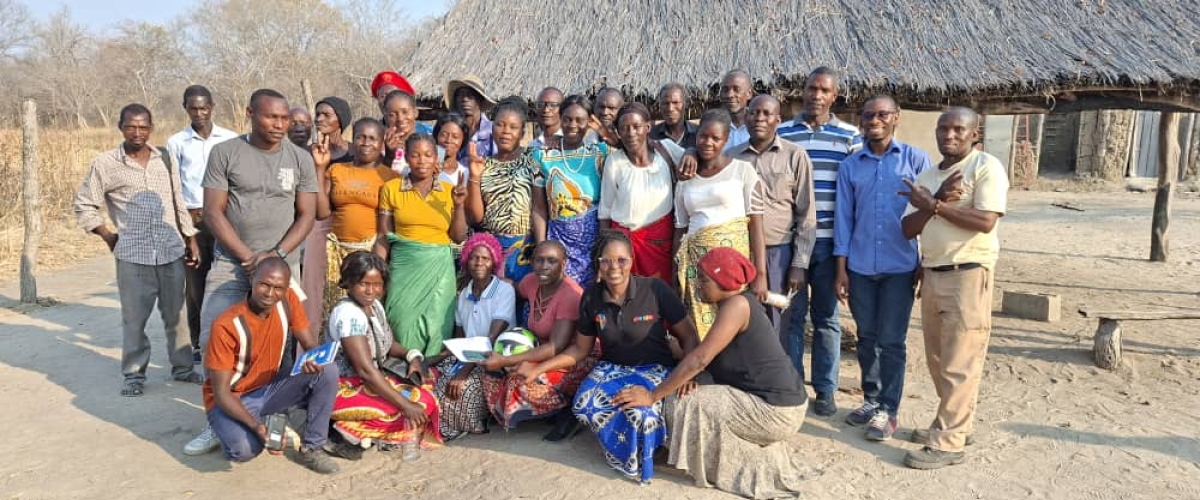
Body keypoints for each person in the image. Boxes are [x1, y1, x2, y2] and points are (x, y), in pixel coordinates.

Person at [611, 247, 808, 499]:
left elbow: (701, 358)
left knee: (679, 403)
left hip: (776, 413)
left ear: (723, 280)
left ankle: (732, 466)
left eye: (704, 280)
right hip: (784, 404)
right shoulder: (739, 304)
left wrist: (652, 395)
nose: (698, 285)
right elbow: (712, 356)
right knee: (690, 392)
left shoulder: (737, 305)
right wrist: (686, 363)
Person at [186, 88, 318, 456]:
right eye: (271, 117)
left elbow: (307, 214)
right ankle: (216, 420)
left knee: (282, 345)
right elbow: (212, 212)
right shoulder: (225, 153)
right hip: (231, 264)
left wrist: (276, 255)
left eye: (284, 118)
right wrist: (248, 257)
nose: (279, 124)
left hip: (281, 267)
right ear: (250, 114)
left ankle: (274, 416)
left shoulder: (300, 158)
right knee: (213, 335)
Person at [529, 230, 699, 483]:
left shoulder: (655, 289)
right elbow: (580, 349)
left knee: (640, 415)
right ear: (598, 263)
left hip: (655, 369)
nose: (614, 267)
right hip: (613, 368)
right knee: (585, 406)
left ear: (631, 260)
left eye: (621, 260)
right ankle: (619, 452)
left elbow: (690, 337)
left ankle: (646, 455)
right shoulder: (591, 296)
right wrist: (538, 368)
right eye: (606, 260)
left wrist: (688, 373)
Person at [900, 107, 1008, 469]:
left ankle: (948, 443)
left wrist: (934, 204)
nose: (949, 135)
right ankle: (957, 425)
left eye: (958, 129)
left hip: (968, 273)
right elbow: (908, 228)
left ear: (974, 134)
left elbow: (986, 221)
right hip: (932, 273)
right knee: (938, 360)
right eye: (943, 128)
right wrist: (932, 203)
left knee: (961, 361)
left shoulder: (985, 167)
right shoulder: (928, 175)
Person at [73, 103, 204, 397]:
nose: (137, 132)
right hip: (133, 255)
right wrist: (108, 235)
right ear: (121, 127)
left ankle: (183, 369)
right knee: (135, 320)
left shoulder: (164, 158)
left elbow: (177, 200)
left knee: (176, 316)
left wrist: (190, 238)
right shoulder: (105, 163)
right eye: (131, 126)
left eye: (143, 127)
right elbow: (84, 204)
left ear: (151, 128)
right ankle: (134, 375)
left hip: (170, 250)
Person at [833, 96, 932, 441]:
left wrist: (925, 262)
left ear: (896, 118)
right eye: (868, 115)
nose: (874, 120)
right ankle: (871, 399)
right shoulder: (851, 166)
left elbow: (929, 214)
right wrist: (841, 269)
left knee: (891, 341)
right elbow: (844, 218)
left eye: (882, 114)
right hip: (860, 265)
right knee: (866, 337)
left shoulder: (916, 160)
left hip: (900, 266)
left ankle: (888, 410)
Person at [776, 67, 863, 416]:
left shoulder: (850, 137)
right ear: (804, 91)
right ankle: (795, 385)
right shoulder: (783, 132)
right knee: (792, 317)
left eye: (824, 90)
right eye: (812, 88)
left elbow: (855, 193)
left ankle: (826, 390)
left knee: (826, 318)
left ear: (834, 96)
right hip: (792, 241)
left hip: (830, 243)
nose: (817, 95)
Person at [202, 257, 339, 474]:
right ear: (252, 280)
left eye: (278, 288)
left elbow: (310, 344)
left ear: (286, 289)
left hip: (268, 387)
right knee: (245, 450)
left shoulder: (288, 300)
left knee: (327, 370)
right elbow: (221, 393)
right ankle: (224, 427)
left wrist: (314, 360)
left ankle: (312, 447)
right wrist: (256, 427)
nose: (270, 293)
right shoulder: (226, 325)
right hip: (232, 398)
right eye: (264, 285)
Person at [325, 251, 441, 461]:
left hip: (371, 379)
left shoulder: (374, 305)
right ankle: (345, 429)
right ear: (349, 283)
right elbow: (365, 371)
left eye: (377, 284)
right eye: (363, 284)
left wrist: (412, 356)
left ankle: (368, 432)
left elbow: (387, 343)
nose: (371, 290)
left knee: (429, 386)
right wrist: (406, 405)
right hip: (344, 386)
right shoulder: (348, 315)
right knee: (407, 409)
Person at [728, 95, 816, 356]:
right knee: (739, 320)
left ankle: (782, 378)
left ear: (778, 120)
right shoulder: (731, 158)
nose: (759, 118)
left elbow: (806, 213)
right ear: (746, 118)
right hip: (739, 253)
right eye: (754, 113)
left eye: (766, 114)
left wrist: (799, 263)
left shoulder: (795, 156)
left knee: (779, 323)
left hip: (779, 254)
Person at [480, 241, 595, 439]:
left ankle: (568, 408)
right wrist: (489, 281)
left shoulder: (570, 295)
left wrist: (506, 360)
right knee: (493, 373)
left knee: (520, 382)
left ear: (563, 264)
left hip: (574, 358)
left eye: (552, 261)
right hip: (541, 351)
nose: (544, 266)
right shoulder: (532, 282)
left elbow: (556, 347)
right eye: (539, 260)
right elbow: (514, 287)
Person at [673, 109, 768, 340]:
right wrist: (675, 269)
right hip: (696, 265)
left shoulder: (742, 171)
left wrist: (761, 274)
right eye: (703, 136)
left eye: (716, 138)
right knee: (700, 326)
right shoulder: (685, 177)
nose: (708, 142)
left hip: (732, 266)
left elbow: (756, 225)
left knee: (732, 321)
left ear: (726, 140)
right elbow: (680, 228)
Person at [374, 133, 469, 361]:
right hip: (403, 265)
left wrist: (459, 205)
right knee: (400, 318)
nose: (422, 161)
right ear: (406, 158)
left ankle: (431, 376)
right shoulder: (391, 189)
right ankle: (402, 370)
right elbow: (384, 236)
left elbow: (458, 237)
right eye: (415, 155)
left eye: (428, 155)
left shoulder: (449, 190)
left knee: (437, 323)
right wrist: (379, 272)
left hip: (439, 267)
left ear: (436, 158)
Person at [166, 85, 238, 362]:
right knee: (196, 282)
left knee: (227, 277)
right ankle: (198, 342)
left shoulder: (229, 139)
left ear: (212, 107)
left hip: (224, 215)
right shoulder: (177, 142)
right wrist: (184, 228)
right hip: (193, 217)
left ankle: (228, 337)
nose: (199, 113)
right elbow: (174, 187)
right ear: (185, 108)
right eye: (194, 108)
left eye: (204, 108)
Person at [313, 118, 399, 320]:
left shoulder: (390, 177)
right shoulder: (337, 170)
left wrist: (379, 259)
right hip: (337, 253)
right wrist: (320, 169)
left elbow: (389, 225)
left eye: (372, 138)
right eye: (360, 137)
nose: (366, 143)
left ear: (381, 143)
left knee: (366, 310)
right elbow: (322, 212)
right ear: (353, 140)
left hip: (371, 252)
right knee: (336, 309)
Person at [434, 233, 515, 440]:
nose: (479, 263)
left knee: (463, 389)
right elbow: (460, 340)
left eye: (485, 258)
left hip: (493, 360)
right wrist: (429, 360)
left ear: (494, 262)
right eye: (474, 257)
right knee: (434, 380)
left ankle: (467, 426)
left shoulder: (504, 291)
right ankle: (442, 427)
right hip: (468, 358)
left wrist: (463, 373)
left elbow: (491, 338)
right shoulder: (463, 295)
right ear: (466, 260)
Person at [598, 103, 684, 282]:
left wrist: (691, 152)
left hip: (660, 244)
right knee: (627, 294)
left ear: (648, 127)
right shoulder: (614, 162)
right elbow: (605, 212)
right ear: (618, 132)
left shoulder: (666, 149)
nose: (631, 133)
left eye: (636, 126)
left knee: (659, 292)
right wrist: (604, 253)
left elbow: (696, 160)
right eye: (624, 128)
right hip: (624, 247)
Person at [531, 95, 608, 285]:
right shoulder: (542, 157)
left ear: (589, 122)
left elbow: (628, 146)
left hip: (593, 244)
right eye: (567, 119)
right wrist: (542, 249)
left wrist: (604, 132)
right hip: (559, 241)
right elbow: (539, 208)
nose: (573, 125)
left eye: (580, 120)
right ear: (560, 119)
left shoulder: (600, 153)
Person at [464, 98, 539, 282]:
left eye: (513, 127)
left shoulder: (534, 159)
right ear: (492, 128)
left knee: (524, 295)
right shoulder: (484, 165)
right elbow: (476, 219)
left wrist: (540, 244)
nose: (506, 131)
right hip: (492, 249)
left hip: (527, 247)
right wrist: (474, 177)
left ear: (522, 132)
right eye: (500, 125)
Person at [301, 96, 353, 336]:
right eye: (318, 114)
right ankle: (310, 347)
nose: (319, 119)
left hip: (347, 228)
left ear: (340, 120)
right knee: (313, 288)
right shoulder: (308, 153)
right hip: (318, 225)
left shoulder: (355, 151)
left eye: (326, 115)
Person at [446, 74, 496, 160]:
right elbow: (438, 161)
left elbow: (499, 163)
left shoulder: (493, 131)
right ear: (456, 101)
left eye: (470, 95)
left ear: (480, 100)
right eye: (460, 95)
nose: (465, 99)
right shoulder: (447, 130)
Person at [371, 70, 432, 136]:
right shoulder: (372, 133)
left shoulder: (428, 133)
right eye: (382, 96)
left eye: (393, 94)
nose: (387, 99)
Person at [382, 90, 422, 171]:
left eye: (405, 112)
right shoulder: (376, 148)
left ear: (415, 112)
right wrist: (389, 156)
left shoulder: (430, 147)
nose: (400, 118)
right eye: (392, 115)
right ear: (386, 117)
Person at [649, 83, 697, 149]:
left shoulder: (698, 133)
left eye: (675, 103)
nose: (670, 109)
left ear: (686, 104)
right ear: (660, 105)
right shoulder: (651, 135)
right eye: (665, 103)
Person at [433, 112, 471, 186]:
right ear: (436, 136)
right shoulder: (424, 169)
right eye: (443, 135)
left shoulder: (466, 174)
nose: (448, 140)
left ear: (463, 140)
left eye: (455, 137)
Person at [719, 70, 753, 152]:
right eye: (725, 90)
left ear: (749, 93)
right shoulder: (712, 124)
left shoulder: (759, 125)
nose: (730, 95)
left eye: (736, 89)